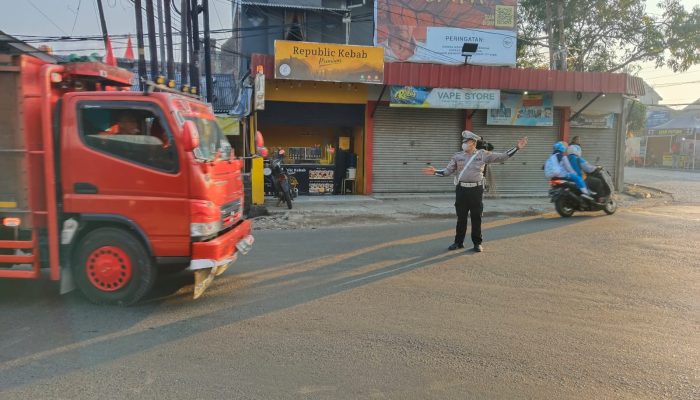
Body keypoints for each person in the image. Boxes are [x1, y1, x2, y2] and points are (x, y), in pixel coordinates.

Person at [423, 130, 528, 252]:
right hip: (461, 190)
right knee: (461, 218)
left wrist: (517, 148)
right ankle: (458, 242)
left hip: (476, 190)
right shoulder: (457, 156)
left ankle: (477, 243)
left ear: (473, 142)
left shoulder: (483, 154)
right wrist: (435, 171)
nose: (464, 143)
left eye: (466, 141)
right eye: (463, 141)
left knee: (476, 217)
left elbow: (502, 157)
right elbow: (447, 172)